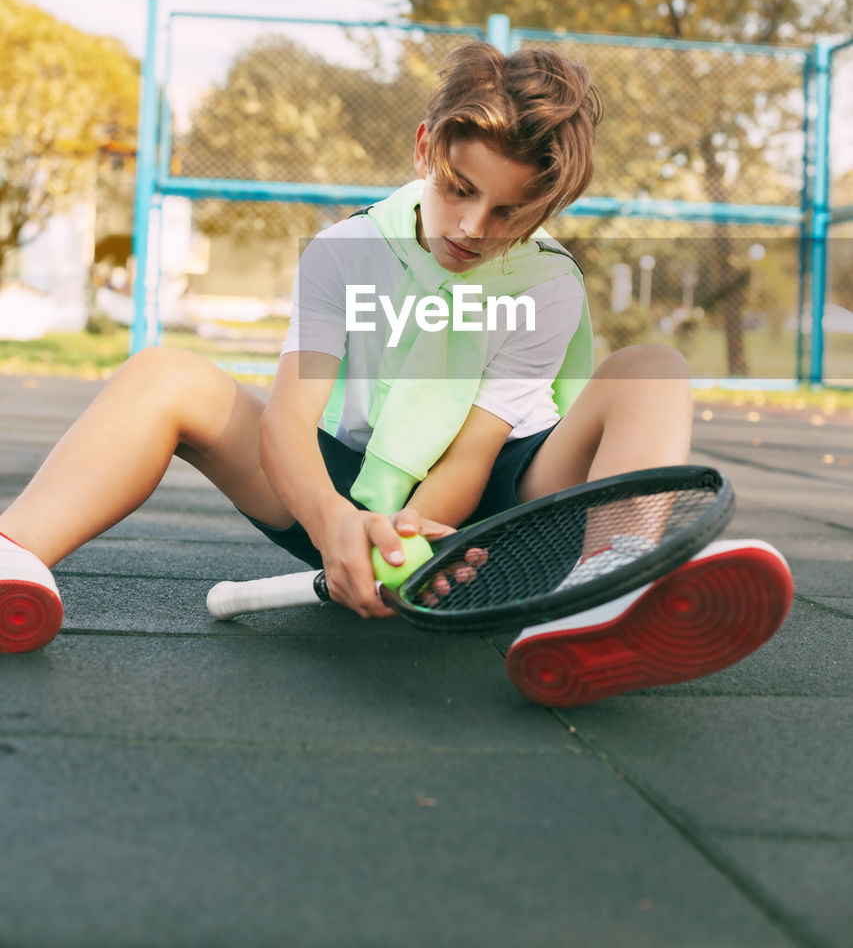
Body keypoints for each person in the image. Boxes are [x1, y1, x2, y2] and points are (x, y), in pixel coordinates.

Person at [0, 43, 792, 704]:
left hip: (497, 510)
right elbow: (286, 419)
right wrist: (339, 527)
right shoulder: (346, 250)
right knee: (164, 373)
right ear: (424, 148)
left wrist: (410, 540)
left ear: (546, 208)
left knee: (650, 369)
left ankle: (607, 588)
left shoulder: (545, 284)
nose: (474, 228)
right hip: (337, 490)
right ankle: (17, 553)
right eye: (459, 190)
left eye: (510, 212)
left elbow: (470, 456)